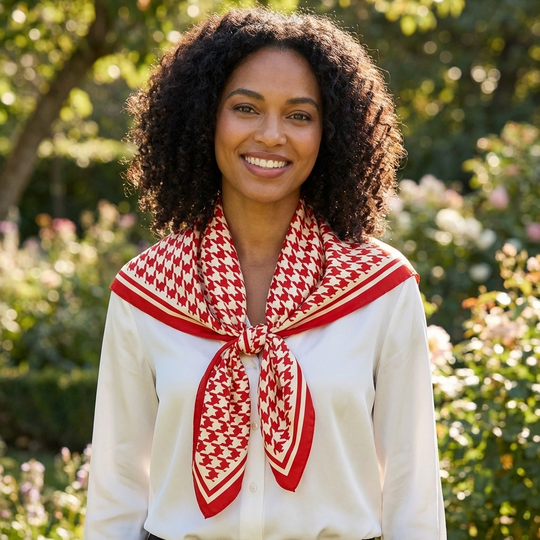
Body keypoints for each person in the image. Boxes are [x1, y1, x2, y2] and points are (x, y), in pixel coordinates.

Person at [84, 8, 446, 540]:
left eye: (300, 115)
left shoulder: (381, 288)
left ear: (331, 131)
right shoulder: (145, 291)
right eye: (245, 108)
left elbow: (413, 493)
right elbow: (117, 490)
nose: (271, 135)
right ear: (205, 116)